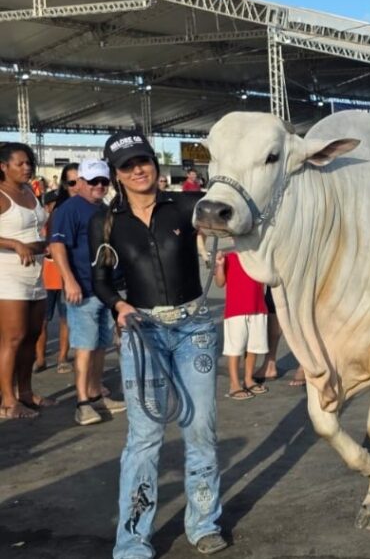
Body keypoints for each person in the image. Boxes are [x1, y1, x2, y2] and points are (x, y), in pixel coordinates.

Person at [89, 132, 229, 557]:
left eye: (143, 161)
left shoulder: (187, 206)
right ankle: (133, 539)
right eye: (127, 166)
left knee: (200, 428)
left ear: (154, 162)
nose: (138, 170)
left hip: (194, 328)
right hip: (141, 331)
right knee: (145, 436)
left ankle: (204, 523)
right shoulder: (105, 222)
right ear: (116, 174)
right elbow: (99, 281)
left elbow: (235, 212)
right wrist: (119, 306)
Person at [50, 159, 127, 426]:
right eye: (93, 181)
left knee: (100, 345)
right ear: (81, 182)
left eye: (104, 181)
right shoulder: (69, 209)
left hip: (105, 289)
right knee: (84, 346)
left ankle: (95, 394)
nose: (99, 186)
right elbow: (57, 246)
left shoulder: (104, 209)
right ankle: (82, 403)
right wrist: (69, 280)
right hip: (81, 289)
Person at [0, 142, 52, 420]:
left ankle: (26, 392)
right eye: (20, 163)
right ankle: (8, 401)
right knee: (14, 337)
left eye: (29, 162)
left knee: (33, 335)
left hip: (36, 272)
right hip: (8, 274)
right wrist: (14, 243)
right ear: (3, 166)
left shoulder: (30, 192)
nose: (27, 167)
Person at [35, 162, 79, 375]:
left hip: (67, 275)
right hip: (47, 275)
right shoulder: (46, 221)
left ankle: (62, 358)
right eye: (50, 204)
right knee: (42, 320)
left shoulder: (76, 212)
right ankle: (40, 358)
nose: (52, 207)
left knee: (65, 319)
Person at [213, 251, 269, 400]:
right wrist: (220, 265)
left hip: (257, 307)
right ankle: (234, 384)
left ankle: (248, 379)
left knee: (253, 347)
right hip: (236, 310)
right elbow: (219, 283)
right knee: (235, 348)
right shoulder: (229, 257)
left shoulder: (258, 255)